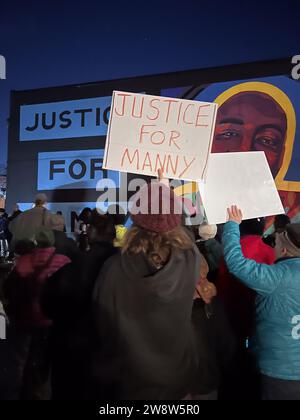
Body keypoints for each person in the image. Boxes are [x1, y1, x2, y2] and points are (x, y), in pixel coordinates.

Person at [91, 173, 200, 400]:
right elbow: (182, 233)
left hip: (129, 385)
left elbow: (101, 325)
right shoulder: (190, 260)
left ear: (135, 217)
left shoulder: (113, 268)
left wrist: (159, 194)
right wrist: (163, 193)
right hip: (178, 383)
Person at [223, 205, 300, 400]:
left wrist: (232, 225)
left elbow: (236, 263)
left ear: (283, 250)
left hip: (279, 372)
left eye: (274, 244)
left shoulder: (277, 277)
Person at [41, 210, 117, 400]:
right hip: (114, 359)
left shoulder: (73, 268)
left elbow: (48, 305)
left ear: (90, 232)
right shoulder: (131, 267)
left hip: (72, 357)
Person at [4, 227, 70, 400]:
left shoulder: (24, 261)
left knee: (20, 362)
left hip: (24, 321)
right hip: (52, 322)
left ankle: (22, 391)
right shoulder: (63, 261)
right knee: (50, 363)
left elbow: (9, 290)